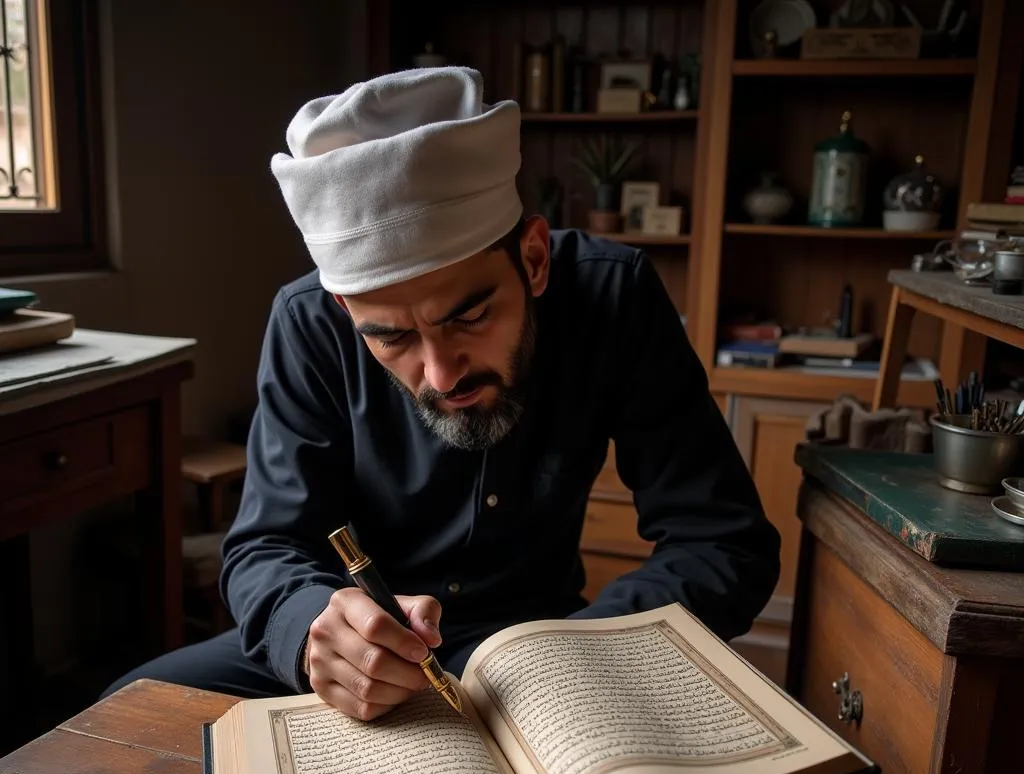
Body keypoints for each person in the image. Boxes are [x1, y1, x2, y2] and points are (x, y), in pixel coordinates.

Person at [108, 66, 780, 719]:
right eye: (391, 337)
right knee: (130, 719)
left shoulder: (613, 295)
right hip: (366, 657)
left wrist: (584, 649)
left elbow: (722, 540)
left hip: (545, 652)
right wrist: (315, 628)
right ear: (345, 308)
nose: (441, 374)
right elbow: (264, 547)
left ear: (536, 259)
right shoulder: (308, 321)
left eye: (469, 316)